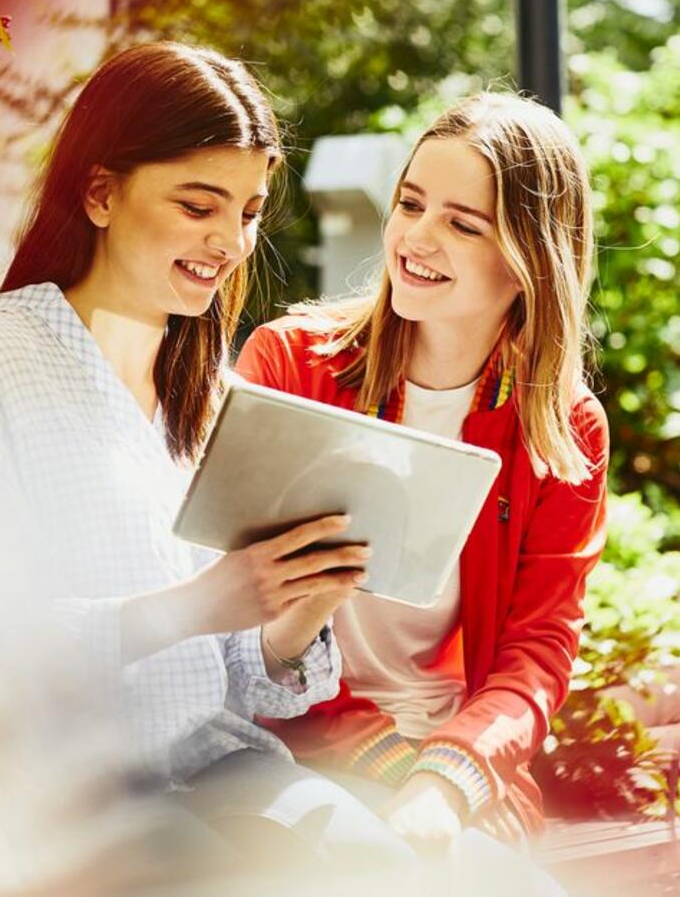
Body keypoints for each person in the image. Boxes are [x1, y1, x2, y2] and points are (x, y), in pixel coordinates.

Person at [0, 42, 416, 881]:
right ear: (100, 193)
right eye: (197, 205)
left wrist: (294, 612)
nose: (229, 241)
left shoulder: (207, 393)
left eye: (246, 213)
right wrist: (196, 604)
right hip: (62, 794)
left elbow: (244, 683)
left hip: (218, 769)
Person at [236, 91, 609, 856]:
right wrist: (389, 765)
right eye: (409, 203)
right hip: (290, 748)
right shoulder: (287, 365)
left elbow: (537, 652)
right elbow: (241, 615)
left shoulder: (565, 429)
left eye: (460, 224)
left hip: (464, 771)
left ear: (527, 262)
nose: (414, 236)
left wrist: (443, 780)